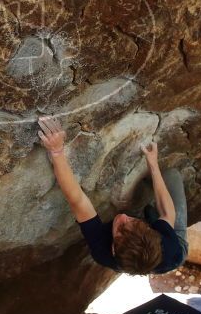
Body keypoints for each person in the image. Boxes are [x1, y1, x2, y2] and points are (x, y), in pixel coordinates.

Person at [37, 115, 188, 275]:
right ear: (151, 230)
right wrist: (153, 164)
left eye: (121, 228)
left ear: (113, 249)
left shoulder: (102, 250)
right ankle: (148, 215)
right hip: (164, 243)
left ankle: (149, 214)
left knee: (156, 205)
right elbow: (167, 213)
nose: (123, 216)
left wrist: (56, 151)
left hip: (173, 260)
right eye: (134, 222)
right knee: (171, 175)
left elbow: (77, 200)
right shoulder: (163, 241)